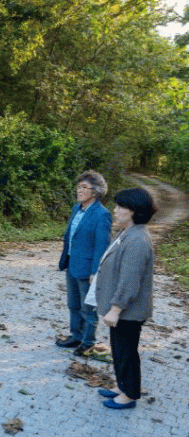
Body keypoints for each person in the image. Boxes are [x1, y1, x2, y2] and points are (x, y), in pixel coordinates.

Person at [89, 188, 156, 409]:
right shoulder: (127, 232)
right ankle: (122, 386)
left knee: (126, 351)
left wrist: (116, 308)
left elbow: (130, 280)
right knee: (119, 349)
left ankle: (130, 395)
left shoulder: (137, 240)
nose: (115, 210)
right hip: (122, 310)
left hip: (128, 311)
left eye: (121, 207)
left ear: (134, 211)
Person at [56, 170, 112, 356]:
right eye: (78, 187)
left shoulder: (102, 214)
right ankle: (76, 336)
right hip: (72, 263)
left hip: (87, 268)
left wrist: (95, 272)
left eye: (84, 187)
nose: (79, 190)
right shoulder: (76, 208)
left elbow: (102, 246)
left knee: (88, 308)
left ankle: (88, 342)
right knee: (73, 304)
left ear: (95, 192)